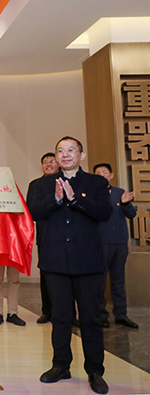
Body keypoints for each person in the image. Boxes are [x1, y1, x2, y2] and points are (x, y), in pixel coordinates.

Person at [28, 136, 112, 394]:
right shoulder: (40, 185)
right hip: (55, 262)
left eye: (71, 150)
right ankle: (60, 365)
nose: (65, 154)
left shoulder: (96, 183)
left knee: (91, 319)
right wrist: (55, 200)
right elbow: (33, 212)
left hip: (88, 262)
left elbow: (104, 212)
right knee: (60, 318)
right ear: (55, 156)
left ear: (81, 155)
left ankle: (95, 371)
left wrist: (75, 200)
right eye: (60, 150)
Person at [27, 153, 80, 327]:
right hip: (46, 236)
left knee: (70, 275)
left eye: (52, 161)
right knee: (46, 276)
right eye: (45, 162)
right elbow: (31, 210)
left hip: (68, 237)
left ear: (58, 164)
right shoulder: (36, 185)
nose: (48, 164)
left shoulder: (68, 181)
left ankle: (71, 314)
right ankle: (47, 311)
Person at [93, 163, 138, 329]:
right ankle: (101, 315)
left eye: (105, 172)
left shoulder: (120, 193)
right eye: (98, 173)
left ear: (111, 175)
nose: (102, 175)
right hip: (100, 244)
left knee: (118, 281)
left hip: (119, 243)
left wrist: (125, 203)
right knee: (99, 282)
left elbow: (131, 214)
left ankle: (121, 315)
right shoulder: (91, 194)